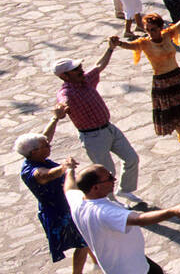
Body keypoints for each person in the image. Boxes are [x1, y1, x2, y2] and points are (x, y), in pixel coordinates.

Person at [52, 44, 143, 206]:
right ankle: (111, 202)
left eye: (79, 66)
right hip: (92, 137)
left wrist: (110, 48)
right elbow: (62, 103)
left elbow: (99, 65)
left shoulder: (85, 80)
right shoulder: (66, 93)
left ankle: (125, 189)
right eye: (76, 69)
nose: (81, 70)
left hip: (109, 128)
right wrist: (61, 109)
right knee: (106, 173)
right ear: (64, 76)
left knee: (131, 158)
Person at [15, 107, 96, 274]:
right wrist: (64, 168)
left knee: (85, 233)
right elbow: (45, 176)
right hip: (59, 211)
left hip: (64, 205)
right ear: (34, 152)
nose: (49, 146)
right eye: (46, 146)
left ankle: (96, 259)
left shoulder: (35, 153)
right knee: (82, 240)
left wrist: (55, 119)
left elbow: (45, 137)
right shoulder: (32, 170)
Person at [115, 7, 180, 148]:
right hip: (162, 81)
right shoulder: (144, 43)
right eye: (147, 29)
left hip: (178, 75)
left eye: (153, 29)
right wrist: (117, 43)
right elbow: (129, 46)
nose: (150, 33)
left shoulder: (167, 35)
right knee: (173, 109)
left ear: (160, 27)